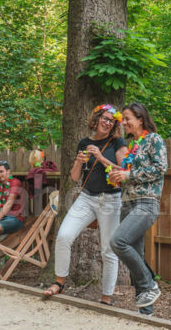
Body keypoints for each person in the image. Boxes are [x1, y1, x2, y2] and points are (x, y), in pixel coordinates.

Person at [42, 105, 128, 303]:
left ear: (114, 124)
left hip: (110, 199)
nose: (107, 123)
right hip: (87, 197)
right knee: (63, 236)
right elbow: (74, 177)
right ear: (97, 119)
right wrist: (79, 161)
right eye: (104, 118)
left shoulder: (117, 142)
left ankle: (106, 297)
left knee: (108, 250)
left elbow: (122, 171)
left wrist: (99, 157)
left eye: (111, 120)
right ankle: (59, 283)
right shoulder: (84, 142)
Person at [108, 103, 168, 314]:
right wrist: (118, 177)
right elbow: (131, 174)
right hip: (128, 202)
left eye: (127, 118)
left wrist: (128, 175)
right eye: (122, 119)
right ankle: (146, 312)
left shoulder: (154, 139)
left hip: (146, 202)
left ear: (140, 119)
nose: (123, 123)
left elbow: (160, 169)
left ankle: (150, 284)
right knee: (137, 255)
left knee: (118, 241)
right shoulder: (134, 145)